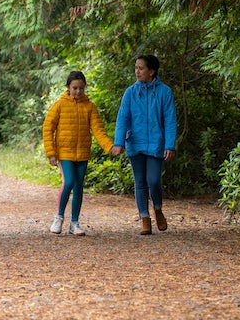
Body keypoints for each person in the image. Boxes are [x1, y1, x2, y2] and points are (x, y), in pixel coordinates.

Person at [110, 54, 177, 235]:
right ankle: (144, 218)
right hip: (135, 143)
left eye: (141, 68)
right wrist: (118, 142)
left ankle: (157, 209)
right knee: (140, 182)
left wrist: (169, 145)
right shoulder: (130, 92)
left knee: (153, 181)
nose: (137, 71)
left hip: (156, 144)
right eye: (136, 68)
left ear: (151, 71)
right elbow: (122, 119)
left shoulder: (164, 92)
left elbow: (170, 120)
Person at [42, 71, 114, 236]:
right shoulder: (59, 105)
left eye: (81, 88)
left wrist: (109, 147)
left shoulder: (90, 107)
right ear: (68, 87)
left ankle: (74, 222)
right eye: (75, 88)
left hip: (82, 153)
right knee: (68, 182)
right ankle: (58, 217)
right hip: (64, 152)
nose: (78, 91)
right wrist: (51, 153)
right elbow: (48, 129)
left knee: (79, 186)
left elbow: (98, 130)